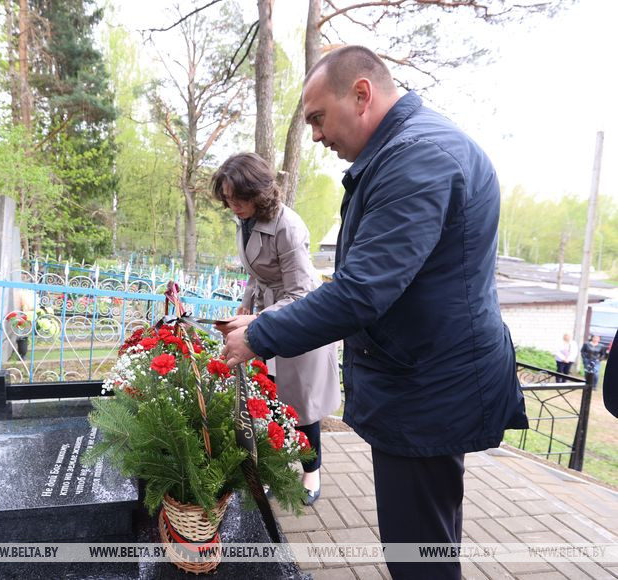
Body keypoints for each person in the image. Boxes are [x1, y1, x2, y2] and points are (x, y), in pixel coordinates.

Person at [220, 46, 528, 579]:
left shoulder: (417, 158)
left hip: (427, 388)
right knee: (429, 544)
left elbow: (361, 292)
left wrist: (260, 335)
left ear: (361, 95)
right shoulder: (409, 150)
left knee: (418, 555)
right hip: (425, 379)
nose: (316, 135)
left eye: (319, 118)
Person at [211, 152, 341, 505]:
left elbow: (300, 293)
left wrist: (256, 320)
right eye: (228, 199)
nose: (233, 206)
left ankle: (311, 471)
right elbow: (257, 271)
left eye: (239, 198)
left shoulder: (289, 227)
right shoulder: (245, 219)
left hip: (300, 320)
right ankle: (275, 468)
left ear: (258, 192)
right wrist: (246, 304)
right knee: (269, 399)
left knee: (301, 405)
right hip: (268, 313)